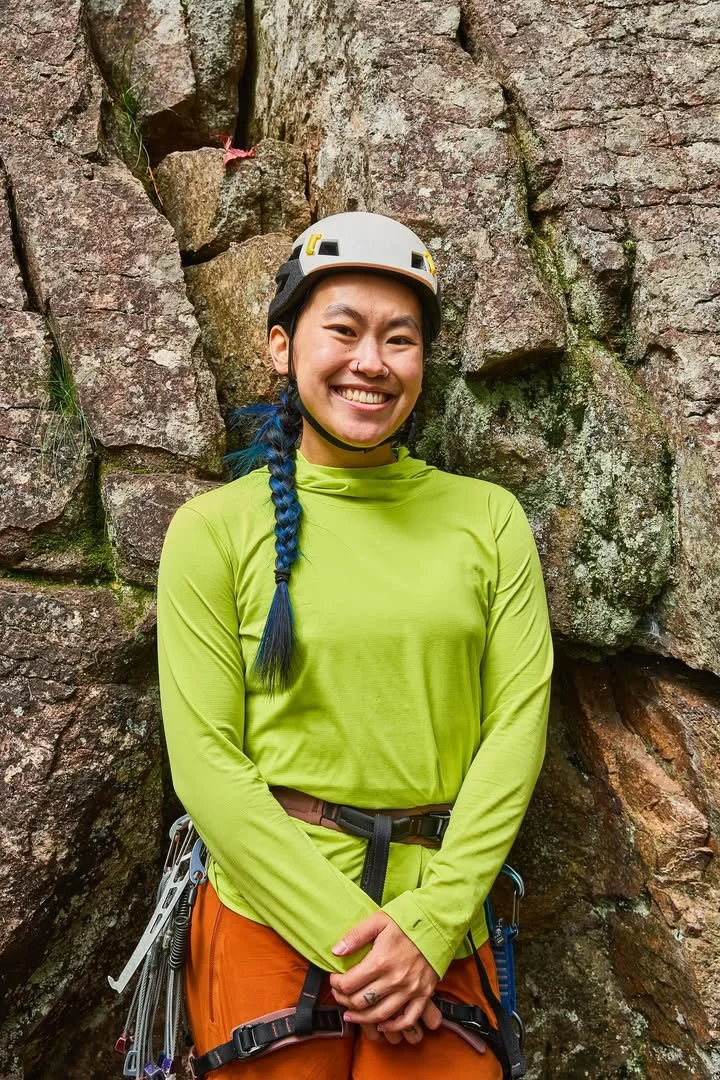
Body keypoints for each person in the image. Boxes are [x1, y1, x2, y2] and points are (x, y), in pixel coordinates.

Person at [156, 211, 554, 1079]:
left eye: (399, 339)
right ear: (279, 347)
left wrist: (432, 924)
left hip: (440, 920)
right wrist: (366, 947)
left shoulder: (488, 521)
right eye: (343, 329)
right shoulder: (213, 532)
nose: (371, 361)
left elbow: (516, 732)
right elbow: (206, 765)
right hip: (268, 911)